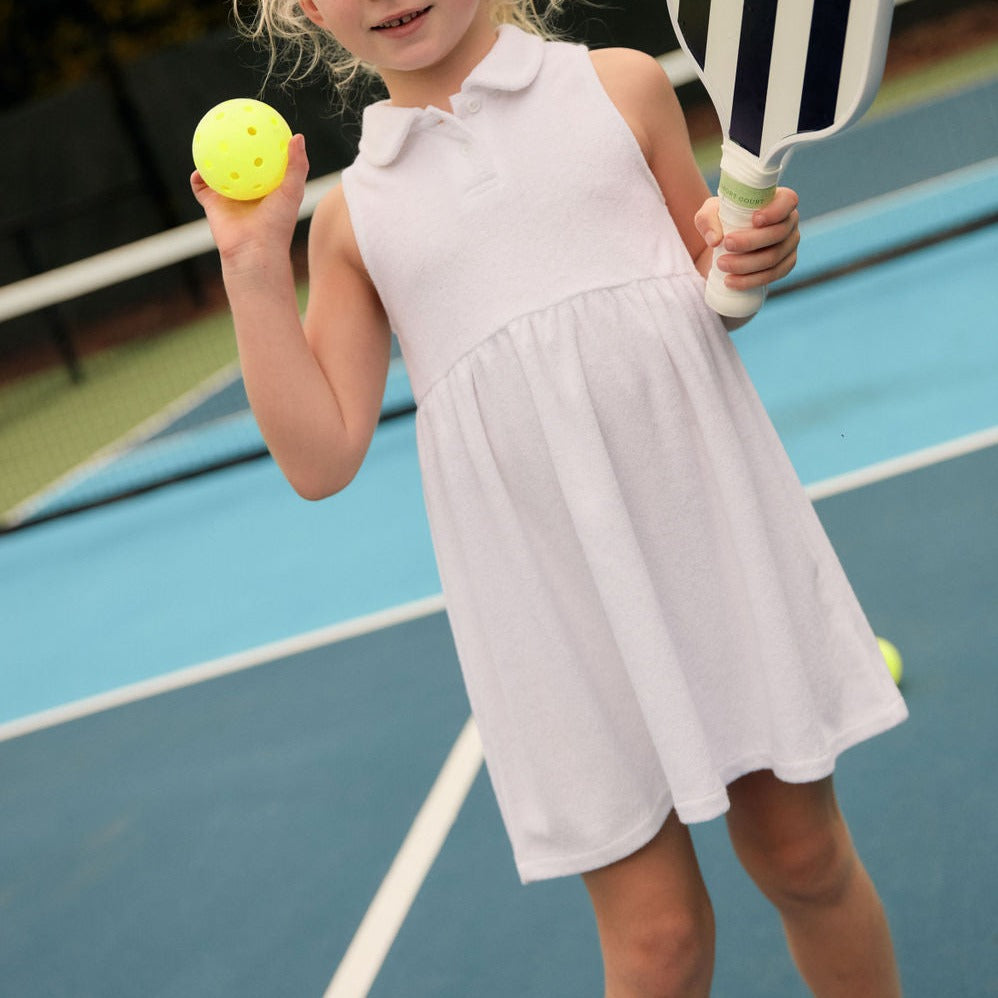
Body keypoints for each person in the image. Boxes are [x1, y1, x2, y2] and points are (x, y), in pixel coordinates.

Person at [194, 3, 908, 995]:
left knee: (802, 857)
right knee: (656, 940)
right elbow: (319, 459)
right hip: (546, 614)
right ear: (311, 10)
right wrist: (249, 262)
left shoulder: (618, 86)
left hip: (709, 538)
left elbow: (712, 273)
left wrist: (752, 249)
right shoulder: (352, 220)